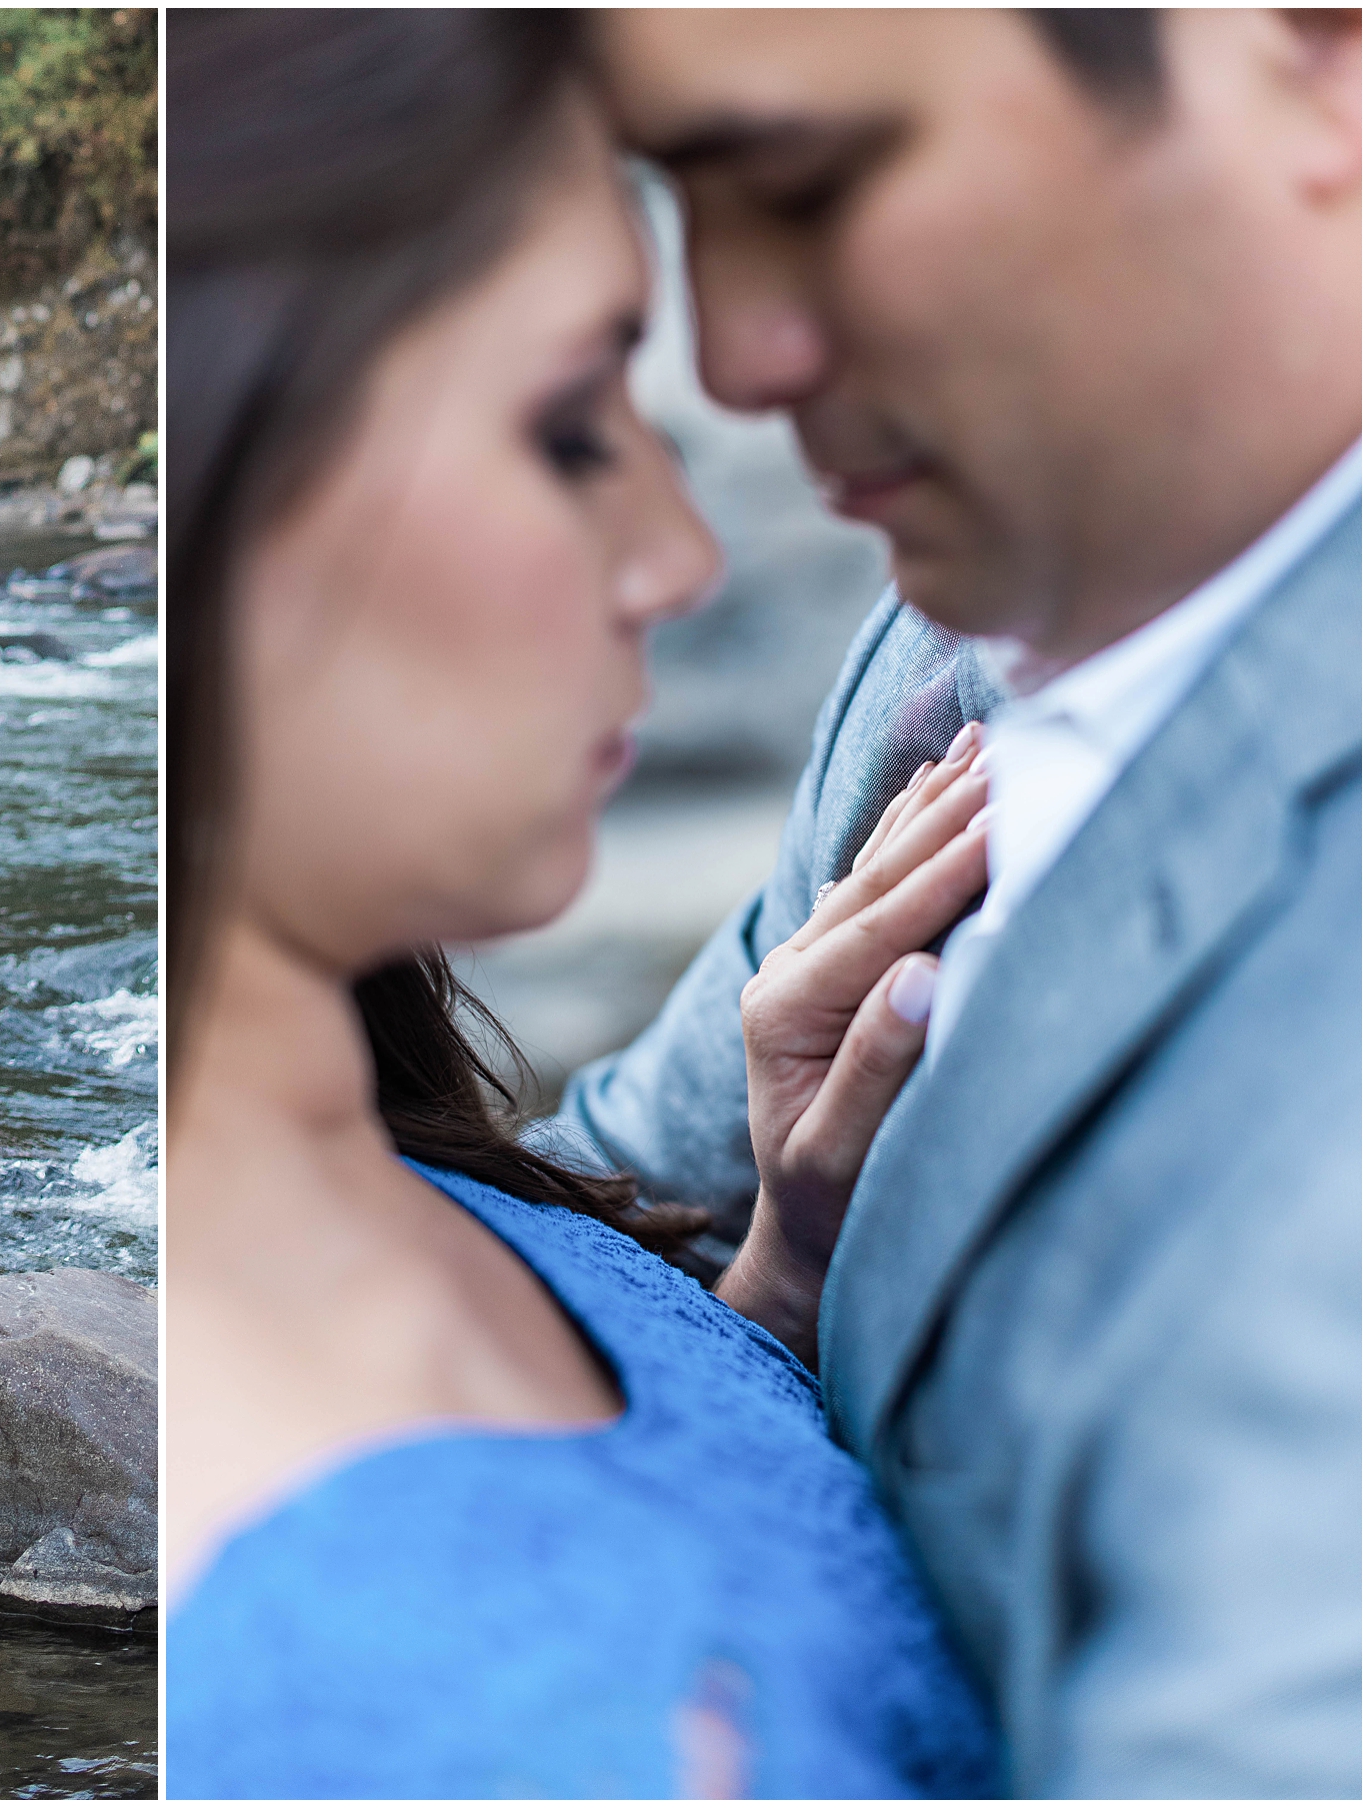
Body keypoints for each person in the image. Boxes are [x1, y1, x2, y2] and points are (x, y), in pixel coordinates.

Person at [164, 13, 1000, 1796]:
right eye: (566, 428)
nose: (681, 558)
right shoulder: (427, 1705)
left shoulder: (384, 1156)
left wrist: (763, 1299)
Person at [553, 10, 1361, 1795]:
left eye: (815, 186)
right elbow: (592, 1184)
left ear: (1313, 61)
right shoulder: (976, 608)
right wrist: (763, 1289)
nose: (739, 354)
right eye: (685, 203)